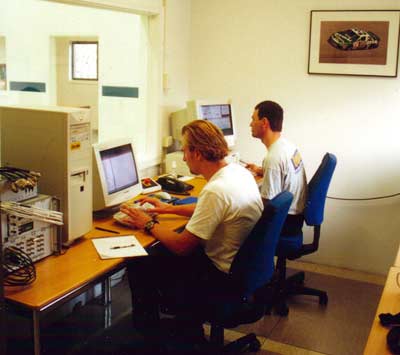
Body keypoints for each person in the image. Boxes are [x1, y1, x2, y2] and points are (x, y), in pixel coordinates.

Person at [121, 120, 263, 344]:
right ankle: (189, 331)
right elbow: (211, 209)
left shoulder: (216, 190)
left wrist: (147, 223)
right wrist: (169, 208)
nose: (184, 156)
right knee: (158, 252)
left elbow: (182, 246)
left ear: (197, 153)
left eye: (185, 150)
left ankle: (149, 339)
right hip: (240, 270)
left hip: (219, 278)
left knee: (140, 260)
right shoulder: (237, 173)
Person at [247, 100, 306, 249]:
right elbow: (284, 172)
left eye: (253, 119)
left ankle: (248, 269)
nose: (250, 124)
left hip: (286, 221)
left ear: (264, 123)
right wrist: (260, 170)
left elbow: (268, 204)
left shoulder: (273, 157)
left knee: (234, 220)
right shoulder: (287, 146)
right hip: (295, 215)